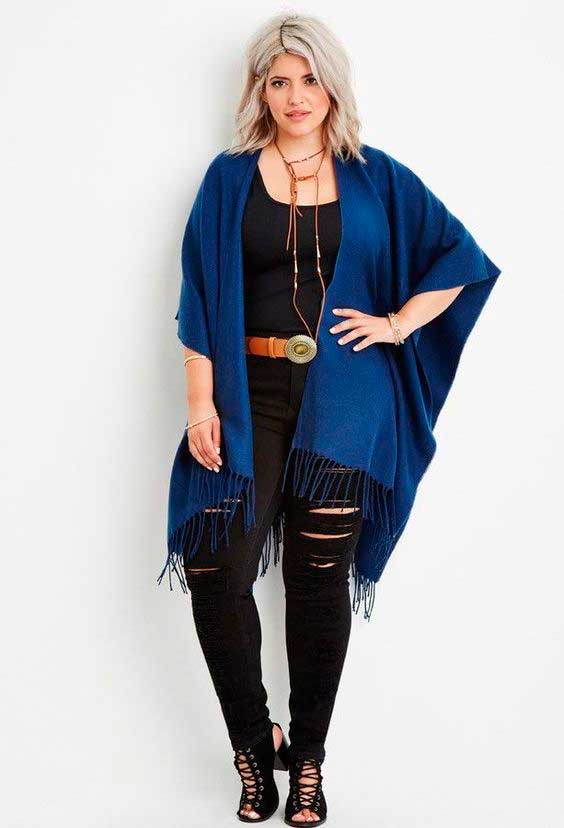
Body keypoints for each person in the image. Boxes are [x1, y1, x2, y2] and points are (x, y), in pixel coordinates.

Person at [160, 12, 502, 826]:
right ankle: (255, 745)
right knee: (216, 567)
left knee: (318, 583)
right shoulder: (228, 179)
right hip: (247, 395)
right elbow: (199, 298)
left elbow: (460, 257)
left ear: (333, 85)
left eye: (309, 79)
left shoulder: (376, 177)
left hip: (346, 401)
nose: (295, 95)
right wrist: (200, 403)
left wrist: (397, 325)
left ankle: (307, 758)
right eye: (279, 81)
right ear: (260, 91)